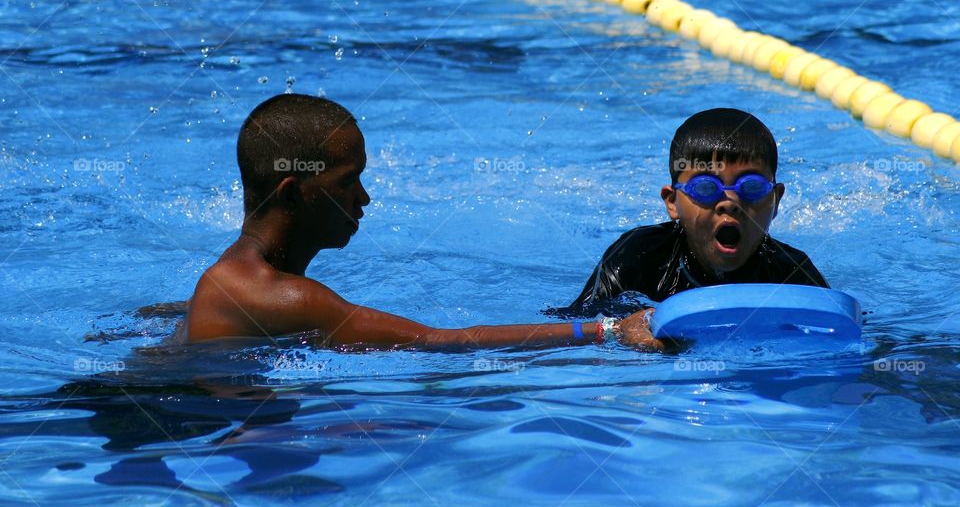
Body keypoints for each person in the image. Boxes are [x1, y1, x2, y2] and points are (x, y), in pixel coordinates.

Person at [183, 94, 658, 349]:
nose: (364, 198)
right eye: (349, 182)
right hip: (184, 417)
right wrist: (607, 331)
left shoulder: (240, 278)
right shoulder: (285, 297)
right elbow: (434, 342)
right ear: (296, 193)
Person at [558, 108, 829, 318]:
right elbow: (574, 327)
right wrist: (617, 330)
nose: (730, 202)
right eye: (705, 187)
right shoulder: (637, 257)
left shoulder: (791, 272)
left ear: (776, 199)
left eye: (752, 187)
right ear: (672, 201)